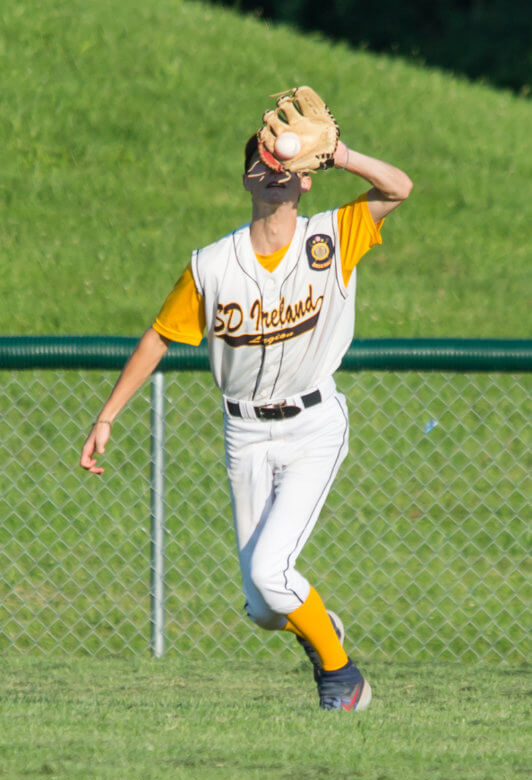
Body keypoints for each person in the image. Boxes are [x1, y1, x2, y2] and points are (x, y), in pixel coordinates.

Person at [80, 127, 412, 711]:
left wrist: (342, 156)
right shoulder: (212, 265)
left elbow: (400, 188)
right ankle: (319, 627)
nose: (275, 171)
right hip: (246, 434)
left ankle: (343, 679)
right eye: (262, 162)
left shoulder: (332, 235)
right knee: (263, 607)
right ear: (248, 180)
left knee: (269, 570)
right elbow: (160, 336)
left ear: (305, 179)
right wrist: (106, 416)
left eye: (288, 165)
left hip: (313, 426)